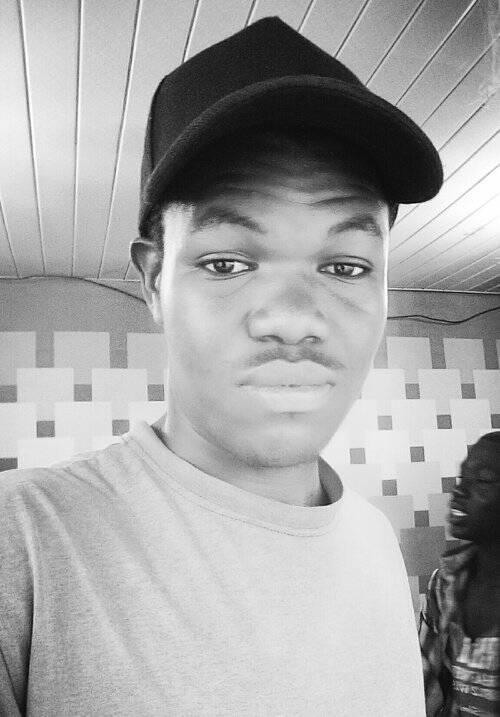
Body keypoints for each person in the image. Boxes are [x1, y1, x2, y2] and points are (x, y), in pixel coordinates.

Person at [0, 17, 443, 716]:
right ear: (154, 282)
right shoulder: (22, 543)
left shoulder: (376, 543)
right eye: (228, 262)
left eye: (346, 266)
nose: (293, 318)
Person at [419, 431, 500, 715]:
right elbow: (425, 689)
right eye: (462, 477)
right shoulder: (443, 584)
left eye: (483, 480)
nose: (459, 491)